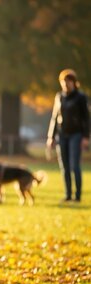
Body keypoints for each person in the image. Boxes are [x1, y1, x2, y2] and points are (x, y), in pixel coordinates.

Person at [47, 69, 90, 203]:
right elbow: (54, 118)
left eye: (68, 81)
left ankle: (77, 196)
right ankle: (68, 194)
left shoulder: (81, 97)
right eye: (63, 82)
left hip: (76, 135)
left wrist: (86, 137)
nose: (66, 84)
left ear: (74, 82)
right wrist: (51, 137)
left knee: (74, 166)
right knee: (64, 166)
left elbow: (86, 118)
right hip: (62, 135)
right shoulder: (59, 97)